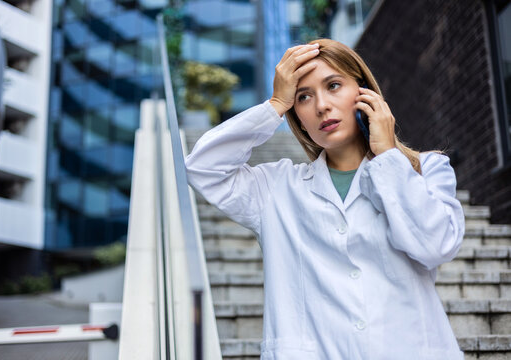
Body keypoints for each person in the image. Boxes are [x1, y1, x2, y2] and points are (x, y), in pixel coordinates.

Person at [185, 39, 465, 359]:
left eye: (333, 86)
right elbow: (202, 168)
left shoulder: (425, 171)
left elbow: (435, 246)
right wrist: (276, 103)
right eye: (304, 96)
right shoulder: (277, 188)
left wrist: (388, 156)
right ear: (297, 115)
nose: (321, 105)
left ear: (365, 94)